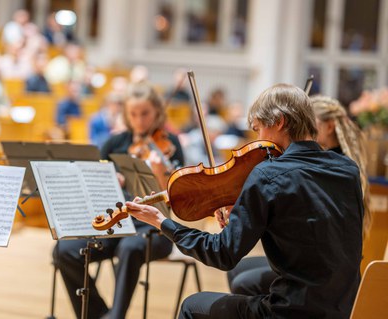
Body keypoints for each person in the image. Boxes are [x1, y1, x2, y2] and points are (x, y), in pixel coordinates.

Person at [126, 83, 364, 319]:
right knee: (245, 280)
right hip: (343, 306)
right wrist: (250, 208)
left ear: (279, 121)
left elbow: (222, 254)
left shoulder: (267, 174)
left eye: (258, 128)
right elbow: (304, 216)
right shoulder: (347, 170)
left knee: (192, 305)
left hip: (293, 311)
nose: (258, 139)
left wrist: (162, 222)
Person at [53, 82, 184, 319]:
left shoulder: (169, 145)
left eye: (145, 113)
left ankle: (116, 316)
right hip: (115, 224)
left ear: (157, 111)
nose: (140, 121)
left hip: (155, 230)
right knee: (64, 250)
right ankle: (97, 314)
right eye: (133, 114)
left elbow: (176, 200)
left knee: (130, 247)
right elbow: (94, 183)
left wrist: (158, 173)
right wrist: (110, 179)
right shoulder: (115, 144)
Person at [225, 94, 372, 297]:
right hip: (317, 258)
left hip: (320, 265)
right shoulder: (335, 164)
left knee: (244, 281)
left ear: (329, 127)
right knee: (237, 270)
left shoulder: (334, 167)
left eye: (313, 123)